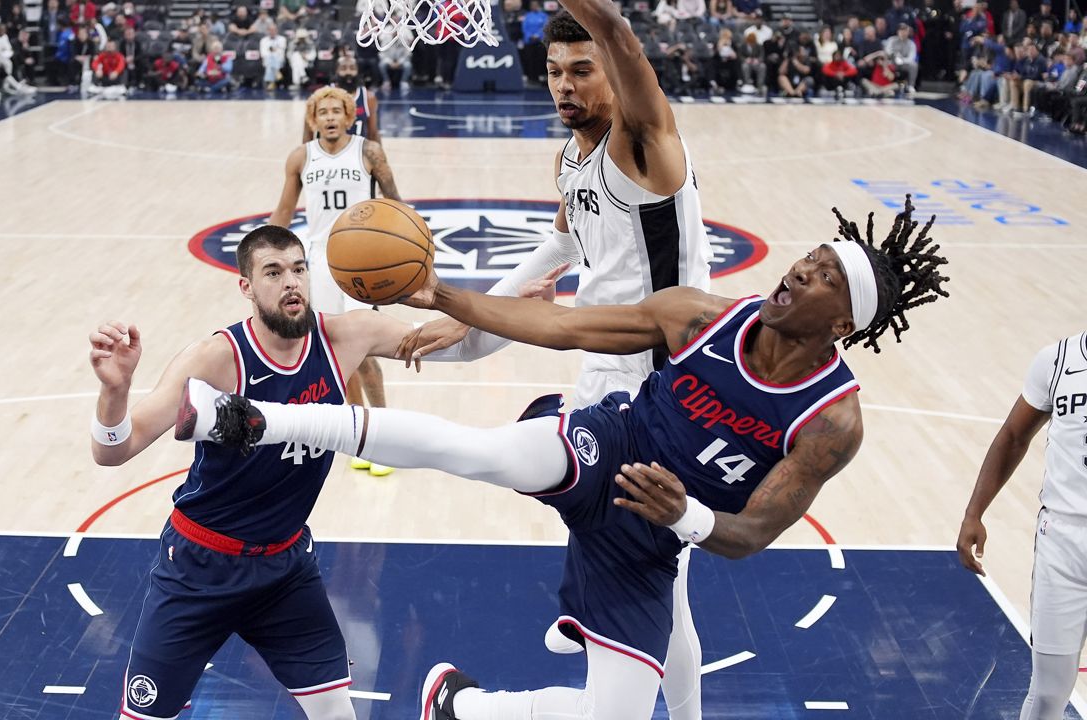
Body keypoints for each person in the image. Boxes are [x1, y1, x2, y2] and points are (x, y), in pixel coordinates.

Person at [179, 197, 952, 720]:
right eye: (806, 259)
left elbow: (750, 535)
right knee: (476, 451)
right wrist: (447, 296)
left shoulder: (833, 422)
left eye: (820, 277)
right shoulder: (702, 317)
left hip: (655, 537)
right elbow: (563, 329)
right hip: (606, 444)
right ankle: (255, 418)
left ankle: (462, 705)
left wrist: (683, 513)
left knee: (613, 713)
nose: (797, 272)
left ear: (843, 323)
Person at [90, 225, 555, 720]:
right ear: (245, 286)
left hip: (284, 569)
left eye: (298, 268)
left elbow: (457, 344)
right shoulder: (217, 359)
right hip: (199, 567)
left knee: (336, 711)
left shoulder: (346, 336)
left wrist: (514, 303)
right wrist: (114, 392)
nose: (291, 282)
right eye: (273, 272)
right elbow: (114, 450)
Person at [399, 5, 715, 715]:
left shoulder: (646, 145)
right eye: (553, 73)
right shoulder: (571, 156)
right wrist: (476, 307)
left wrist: (468, 308)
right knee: (667, 580)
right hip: (601, 374)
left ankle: (522, 662)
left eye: (582, 71)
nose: (565, 86)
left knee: (659, 575)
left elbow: (626, 45)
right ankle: (593, 609)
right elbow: (564, 245)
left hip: (663, 392)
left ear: (612, 70)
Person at [270, 86, 402, 475]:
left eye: (336, 111)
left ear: (349, 117)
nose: (329, 118)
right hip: (318, 262)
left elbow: (396, 204)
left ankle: (384, 435)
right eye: (321, 112)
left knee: (363, 350)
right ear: (312, 120)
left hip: (361, 259)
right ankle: (359, 434)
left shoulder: (369, 152)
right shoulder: (300, 157)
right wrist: (261, 258)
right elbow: (283, 211)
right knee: (337, 353)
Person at [957, 330, 1087, 720]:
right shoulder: (1058, 359)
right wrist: (974, 512)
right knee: (1048, 693)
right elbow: (1013, 436)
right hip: (1062, 543)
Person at [301, 54, 381, 143]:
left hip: (357, 152)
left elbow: (373, 133)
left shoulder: (368, 97)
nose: (348, 72)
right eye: (343, 68)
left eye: (352, 68)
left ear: (358, 71)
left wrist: (378, 153)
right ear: (336, 71)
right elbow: (308, 131)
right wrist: (306, 154)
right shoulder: (321, 96)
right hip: (328, 153)